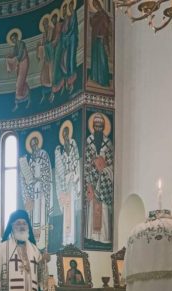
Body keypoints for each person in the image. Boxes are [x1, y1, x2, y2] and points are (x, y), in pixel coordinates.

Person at [19, 133, 53, 250]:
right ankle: (33, 243)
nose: (33, 147)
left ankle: (42, 243)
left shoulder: (43, 154)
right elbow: (26, 177)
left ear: (38, 144)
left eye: (35, 144)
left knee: (42, 215)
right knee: (33, 217)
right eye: (32, 145)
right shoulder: (30, 159)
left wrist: (39, 179)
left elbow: (47, 171)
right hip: (33, 192)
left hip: (41, 191)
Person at [84, 113, 113, 245]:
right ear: (93, 127)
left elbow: (111, 164)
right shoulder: (89, 141)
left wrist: (103, 167)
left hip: (103, 181)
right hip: (92, 179)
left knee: (104, 209)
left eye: (100, 126)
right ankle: (92, 236)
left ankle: (103, 237)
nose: (98, 129)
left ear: (103, 127)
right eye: (96, 126)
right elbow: (86, 163)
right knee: (92, 208)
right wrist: (89, 183)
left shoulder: (108, 143)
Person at [55, 121, 81, 245]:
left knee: (71, 208)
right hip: (65, 185)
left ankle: (72, 238)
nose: (65, 137)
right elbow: (59, 172)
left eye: (67, 135)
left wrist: (73, 178)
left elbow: (76, 164)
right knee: (66, 209)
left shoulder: (73, 147)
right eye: (63, 135)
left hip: (72, 184)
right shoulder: (62, 153)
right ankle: (66, 239)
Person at [88, 0, 111, 88]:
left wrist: (103, 34)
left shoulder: (103, 15)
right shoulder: (96, 15)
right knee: (96, 58)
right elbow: (93, 24)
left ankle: (104, 80)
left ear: (99, 5)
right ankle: (96, 78)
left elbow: (106, 26)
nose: (96, 6)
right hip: (96, 38)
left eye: (96, 4)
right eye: (94, 5)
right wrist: (91, 20)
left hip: (101, 38)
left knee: (102, 58)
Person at [6, 31, 31, 111]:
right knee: (21, 81)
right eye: (12, 39)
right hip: (19, 64)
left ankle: (19, 100)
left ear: (17, 37)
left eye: (14, 38)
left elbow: (19, 55)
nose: (13, 40)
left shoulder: (21, 43)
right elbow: (14, 54)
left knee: (19, 83)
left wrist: (14, 59)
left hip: (24, 62)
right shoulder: (15, 46)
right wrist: (9, 56)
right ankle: (26, 98)